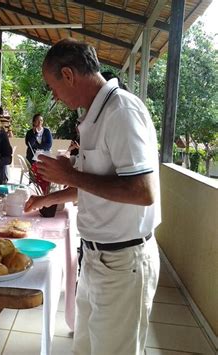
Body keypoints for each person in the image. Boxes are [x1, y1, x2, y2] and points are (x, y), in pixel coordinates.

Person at [24, 38, 161, 355]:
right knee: (84, 348)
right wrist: (48, 198)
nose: (54, 95)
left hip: (123, 262)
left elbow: (143, 191)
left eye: (52, 86)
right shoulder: (94, 116)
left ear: (69, 75)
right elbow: (98, 183)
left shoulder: (121, 112)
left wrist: (69, 174)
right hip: (95, 257)